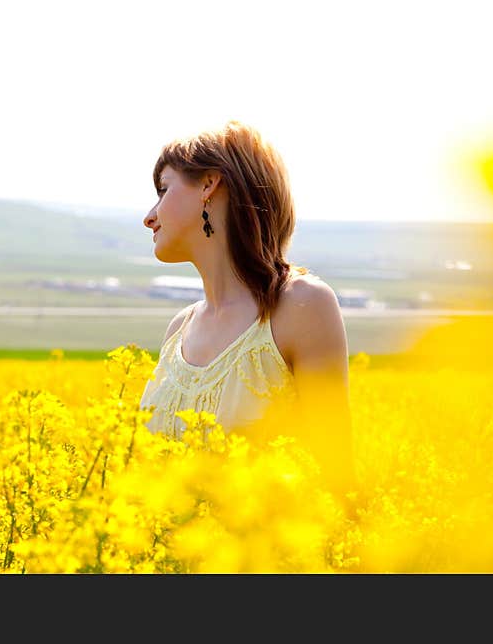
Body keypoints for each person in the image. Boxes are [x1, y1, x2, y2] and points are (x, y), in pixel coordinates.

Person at [139, 120, 355, 496]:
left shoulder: (302, 306)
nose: (149, 216)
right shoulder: (179, 329)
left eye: (163, 189)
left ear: (209, 184)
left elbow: (338, 480)